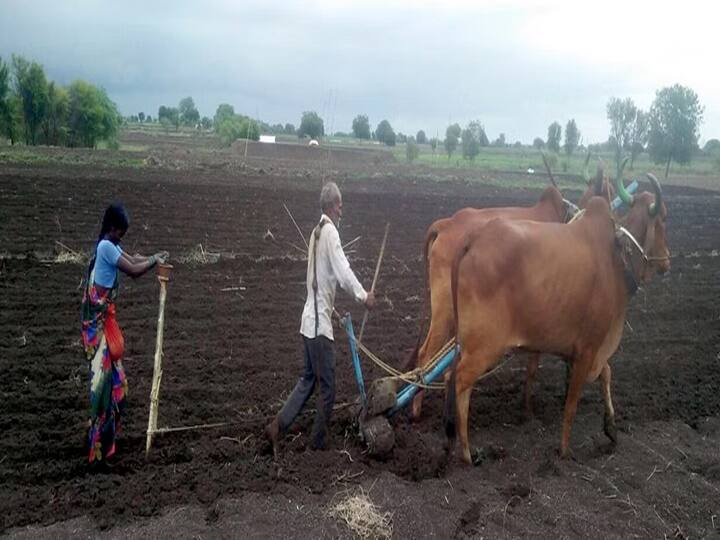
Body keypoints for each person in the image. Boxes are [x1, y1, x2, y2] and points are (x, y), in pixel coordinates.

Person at [265, 182, 376, 457]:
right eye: (339, 203)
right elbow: (343, 270)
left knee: (308, 379)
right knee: (328, 387)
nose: (342, 208)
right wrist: (363, 297)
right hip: (318, 327)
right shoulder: (331, 234)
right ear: (329, 206)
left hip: (309, 320)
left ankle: (277, 426)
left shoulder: (316, 233)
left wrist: (331, 306)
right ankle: (318, 443)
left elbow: (318, 279)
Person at [81, 203, 168, 466]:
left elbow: (133, 260)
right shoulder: (106, 247)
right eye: (120, 231)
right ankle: (96, 455)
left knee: (118, 390)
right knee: (103, 390)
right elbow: (133, 271)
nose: (122, 236)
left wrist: (154, 257)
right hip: (98, 329)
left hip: (106, 324)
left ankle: (106, 446)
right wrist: (154, 261)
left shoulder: (112, 245)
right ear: (111, 228)